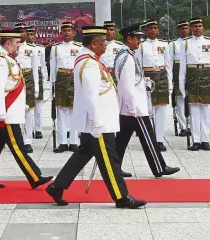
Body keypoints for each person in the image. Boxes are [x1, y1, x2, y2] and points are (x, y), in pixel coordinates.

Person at [45, 26, 146, 209]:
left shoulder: (92, 60)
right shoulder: (89, 63)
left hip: (97, 120)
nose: (106, 46)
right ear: (93, 44)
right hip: (98, 122)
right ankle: (121, 197)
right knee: (109, 160)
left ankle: (57, 186)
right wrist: (96, 122)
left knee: (83, 154)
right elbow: (91, 96)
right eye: (103, 42)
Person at [0, 28, 52, 189]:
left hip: (10, 110)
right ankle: (35, 176)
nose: (20, 45)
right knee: (19, 147)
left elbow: (13, 85)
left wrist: (22, 104)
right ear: (8, 43)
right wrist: (1, 112)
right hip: (6, 114)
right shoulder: (1, 60)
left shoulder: (9, 59)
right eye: (17, 42)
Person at [115, 24, 180, 178]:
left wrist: (144, 83)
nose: (139, 40)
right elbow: (126, 85)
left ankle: (114, 167)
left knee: (121, 140)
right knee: (148, 137)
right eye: (137, 37)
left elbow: (133, 80)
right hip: (134, 107)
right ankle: (159, 167)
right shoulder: (127, 57)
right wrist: (132, 108)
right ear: (129, 38)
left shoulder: (125, 54)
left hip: (129, 106)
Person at [179, 17, 210, 151]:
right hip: (192, 76)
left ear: (203, 27)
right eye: (195, 26)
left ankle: (205, 140)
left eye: (200, 26)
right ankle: (196, 140)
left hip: (206, 75)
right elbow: (182, 66)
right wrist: (181, 83)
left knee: (206, 110)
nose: (198, 28)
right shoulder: (185, 43)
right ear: (191, 28)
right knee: (194, 109)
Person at [135, 20, 172, 151]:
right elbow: (138, 67)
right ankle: (150, 139)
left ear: (158, 30)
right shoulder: (141, 46)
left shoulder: (164, 45)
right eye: (150, 28)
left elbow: (168, 65)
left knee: (161, 110)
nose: (153, 31)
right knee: (148, 111)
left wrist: (170, 83)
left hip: (161, 76)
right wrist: (139, 83)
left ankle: (160, 139)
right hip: (147, 77)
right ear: (145, 31)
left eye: (155, 28)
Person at [50, 21, 81, 152]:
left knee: (74, 112)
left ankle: (73, 141)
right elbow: (52, 68)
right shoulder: (55, 48)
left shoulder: (80, 48)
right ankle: (63, 142)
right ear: (61, 33)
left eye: (69, 30)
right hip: (61, 79)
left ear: (74, 32)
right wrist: (52, 85)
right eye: (65, 30)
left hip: (74, 79)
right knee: (61, 112)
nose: (67, 33)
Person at [16, 23, 39, 153]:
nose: (22, 33)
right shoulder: (11, 47)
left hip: (28, 78)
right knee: (16, 111)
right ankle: (19, 139)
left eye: (23, 31)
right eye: (19, 31)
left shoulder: (32, 49)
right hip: (15, 79)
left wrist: (36, 88)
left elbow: (35, 69)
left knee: (29, 112)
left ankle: (28, 140)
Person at [169, 21, 191, 137]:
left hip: (191, 71)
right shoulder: (173, 44)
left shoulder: (193, 43)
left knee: (192, 101)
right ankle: (183, 127)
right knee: (180, 101)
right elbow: (170, 63)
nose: (184, 30)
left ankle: (192, 126)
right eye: (182, 29)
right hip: (177, 72)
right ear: (178, 30)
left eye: (186, 28)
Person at [26, 26, 48, 139]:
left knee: (38, 105)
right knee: (28, 105)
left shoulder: (40, 48)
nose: (31, 37)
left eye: (32, 34)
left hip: (37, 74)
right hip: (27, 74)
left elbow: (43, 65)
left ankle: (38, 129)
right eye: (28, 34)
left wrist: (44, 79)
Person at [100, 20, 122, 85]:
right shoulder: (98, 46)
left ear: (114, 32)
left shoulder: (120, 46)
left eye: (111, 30)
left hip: (116, 75)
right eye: (107, 30)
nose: (109, 32)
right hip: (102, 74)